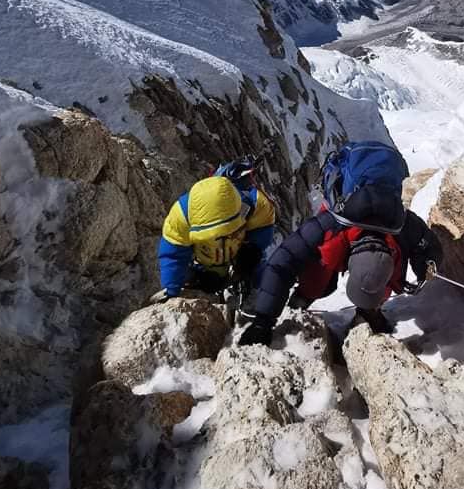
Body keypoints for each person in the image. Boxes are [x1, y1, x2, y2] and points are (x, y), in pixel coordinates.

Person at [239, 141, 442, 346]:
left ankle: (367, 311)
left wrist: (426, 266)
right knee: (319, 276)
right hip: (341, 240)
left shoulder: (398, 225)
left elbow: (431, 249)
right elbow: (283, 262)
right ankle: (304, 300)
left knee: (373, 273)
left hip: (372, 253)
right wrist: (263, 321)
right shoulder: (333, 224)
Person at [155, 157, 275, 301]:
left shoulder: (256, 204)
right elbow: (174, 254)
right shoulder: (181, 215)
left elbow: (263, 227)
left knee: (258, 277)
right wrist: (172, 287)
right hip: (204, 267)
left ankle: (263, 299)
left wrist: (252, 250)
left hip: (230, 258)